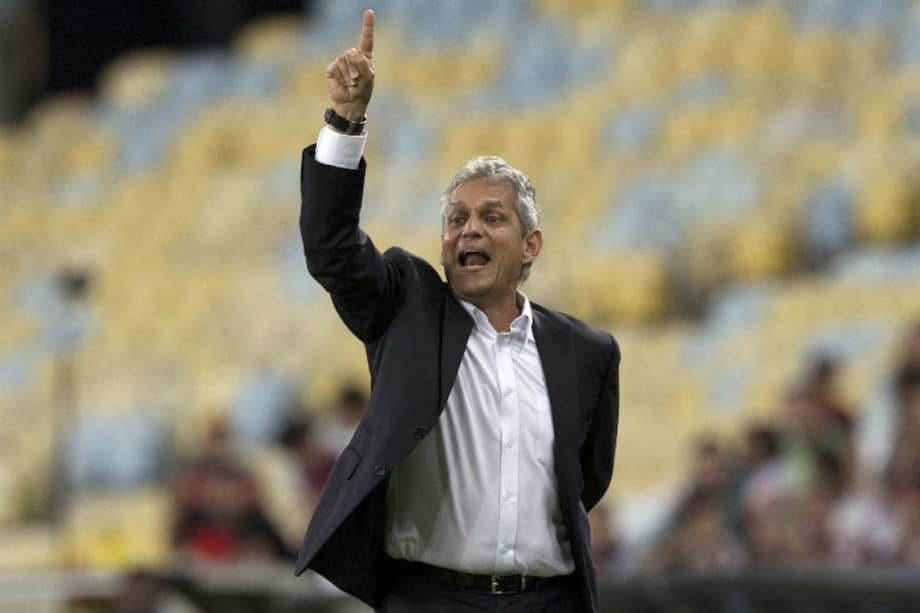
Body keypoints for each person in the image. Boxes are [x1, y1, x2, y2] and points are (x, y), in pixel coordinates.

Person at [293, 10, 620, 613]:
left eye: (491, 217)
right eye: (455, 219)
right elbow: (331, 248)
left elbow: (585, 482)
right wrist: (346, 118)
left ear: (530, 245)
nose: (469, 229)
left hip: (546, 602)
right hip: (427, 598)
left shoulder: (588, 352)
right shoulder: (406, 307)